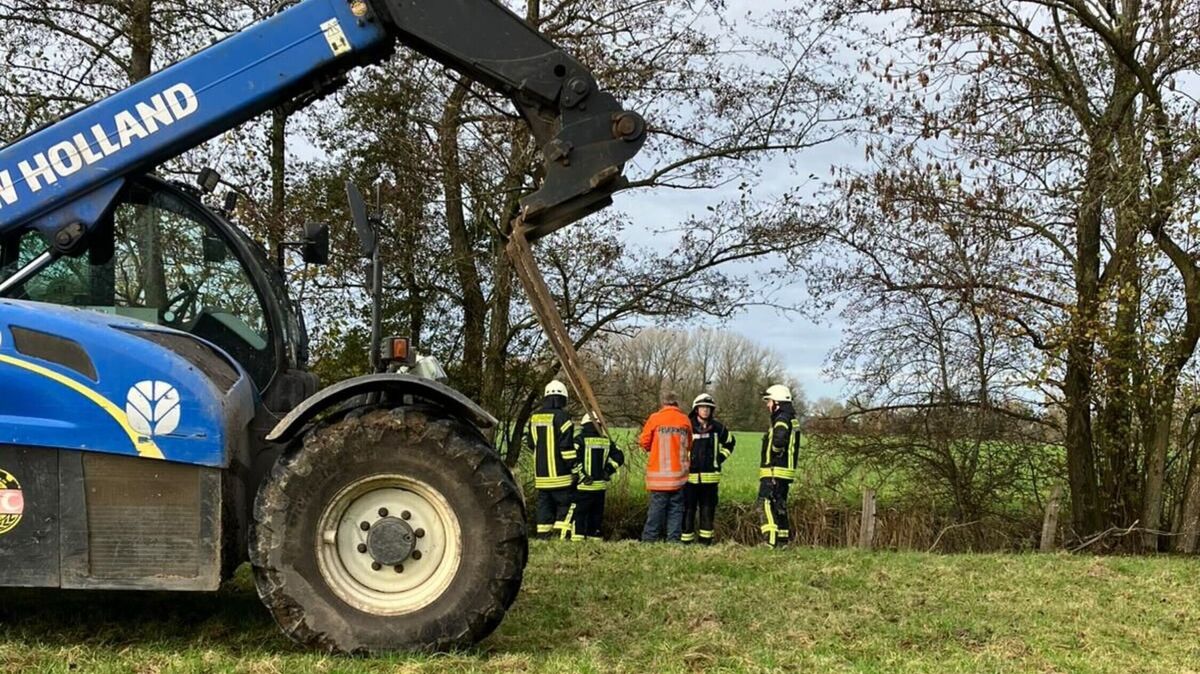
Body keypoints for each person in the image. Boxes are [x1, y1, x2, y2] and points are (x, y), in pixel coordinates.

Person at [526, 380, 582, 540]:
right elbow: (567, 449)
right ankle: (561, 537)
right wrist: (575, 470)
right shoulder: (563, 418)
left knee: (544, 507)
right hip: (561, 477)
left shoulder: (534, 418)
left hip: (542, 477)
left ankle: (543, 537)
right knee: (564, 506)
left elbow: (531, 443)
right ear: (562, 398)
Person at [638, 390, 692, 542]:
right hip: (679, 476)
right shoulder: (685, 420)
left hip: (659, 476)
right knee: (676, 510)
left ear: (663, 402)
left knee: (656, 510)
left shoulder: (655, 418)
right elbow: (689, 444)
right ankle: (673, 540)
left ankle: (649, 539)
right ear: (677, 403)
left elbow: (644, 442)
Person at [682, 393, 735, 544]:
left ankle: (705, 543)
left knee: (707, 512)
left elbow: (730, 443)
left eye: (708, 408)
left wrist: (719, 458)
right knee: (688, 511)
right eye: (702, 407)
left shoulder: (718, 428)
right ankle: (686, 542)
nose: (705, 410)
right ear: (696, 409)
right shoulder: (687, 426)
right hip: (689, 478)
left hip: (710, 480)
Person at [759, 384, 800, 548]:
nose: (768, 405)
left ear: (777, 402)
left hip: (775, 470)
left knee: (765, 502)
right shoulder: (791, 417)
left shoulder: (781, 418)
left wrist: (775, 452)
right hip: (785, 471)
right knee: (780, 505)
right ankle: (783, 541)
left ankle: (770, 540)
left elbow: (780, 439)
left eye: (769, 401)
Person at [573, 412, 625, 541]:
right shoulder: (606, 441)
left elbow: (573, 459)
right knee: (596, 516)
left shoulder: (579, 440)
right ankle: (595, 539)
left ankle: (577, 541)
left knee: (580, 515)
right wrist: (608, 470)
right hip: (600, 487)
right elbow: (619, 457)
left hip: (584, 486)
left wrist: (582, 475)